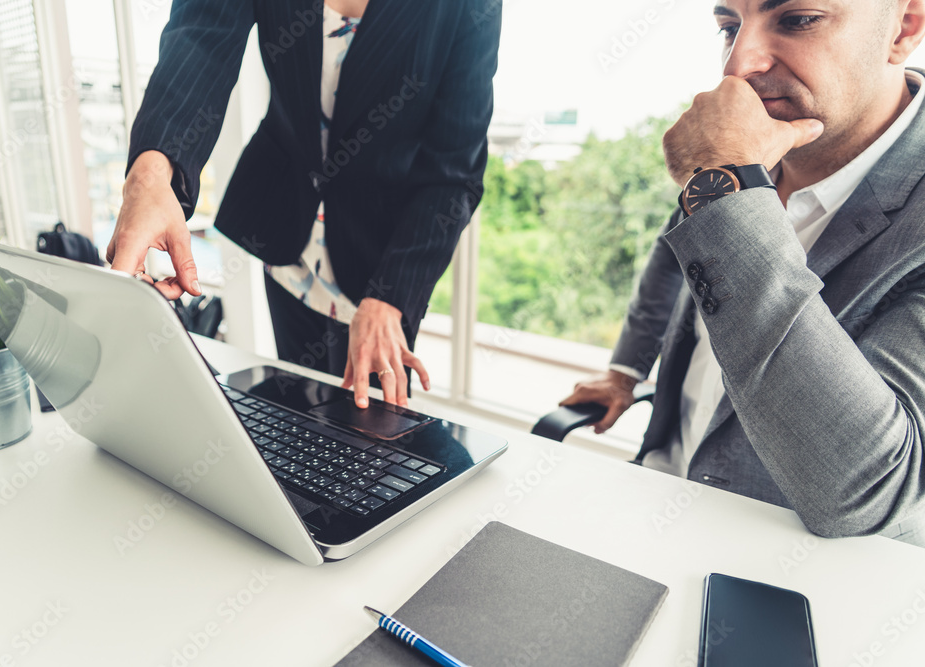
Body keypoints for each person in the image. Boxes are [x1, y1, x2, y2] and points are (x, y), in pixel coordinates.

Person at [559, 0, 925, 546]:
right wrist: (624, 370)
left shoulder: (731, 161)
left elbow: (865, 490)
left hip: (790, 581)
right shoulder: (745, 148)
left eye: (798, 19)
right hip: (658, 504)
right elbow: (673, 256)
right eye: (728, 27)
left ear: (904, 27)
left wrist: (726, 187)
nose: (737, 67)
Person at [107, 0, 501, 409]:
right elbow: (201, 39)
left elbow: (455, 172)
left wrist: (393, 296)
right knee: (298, 419)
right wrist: (149, 178)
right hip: (287, 232)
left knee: (372, 435)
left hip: (383, 260)